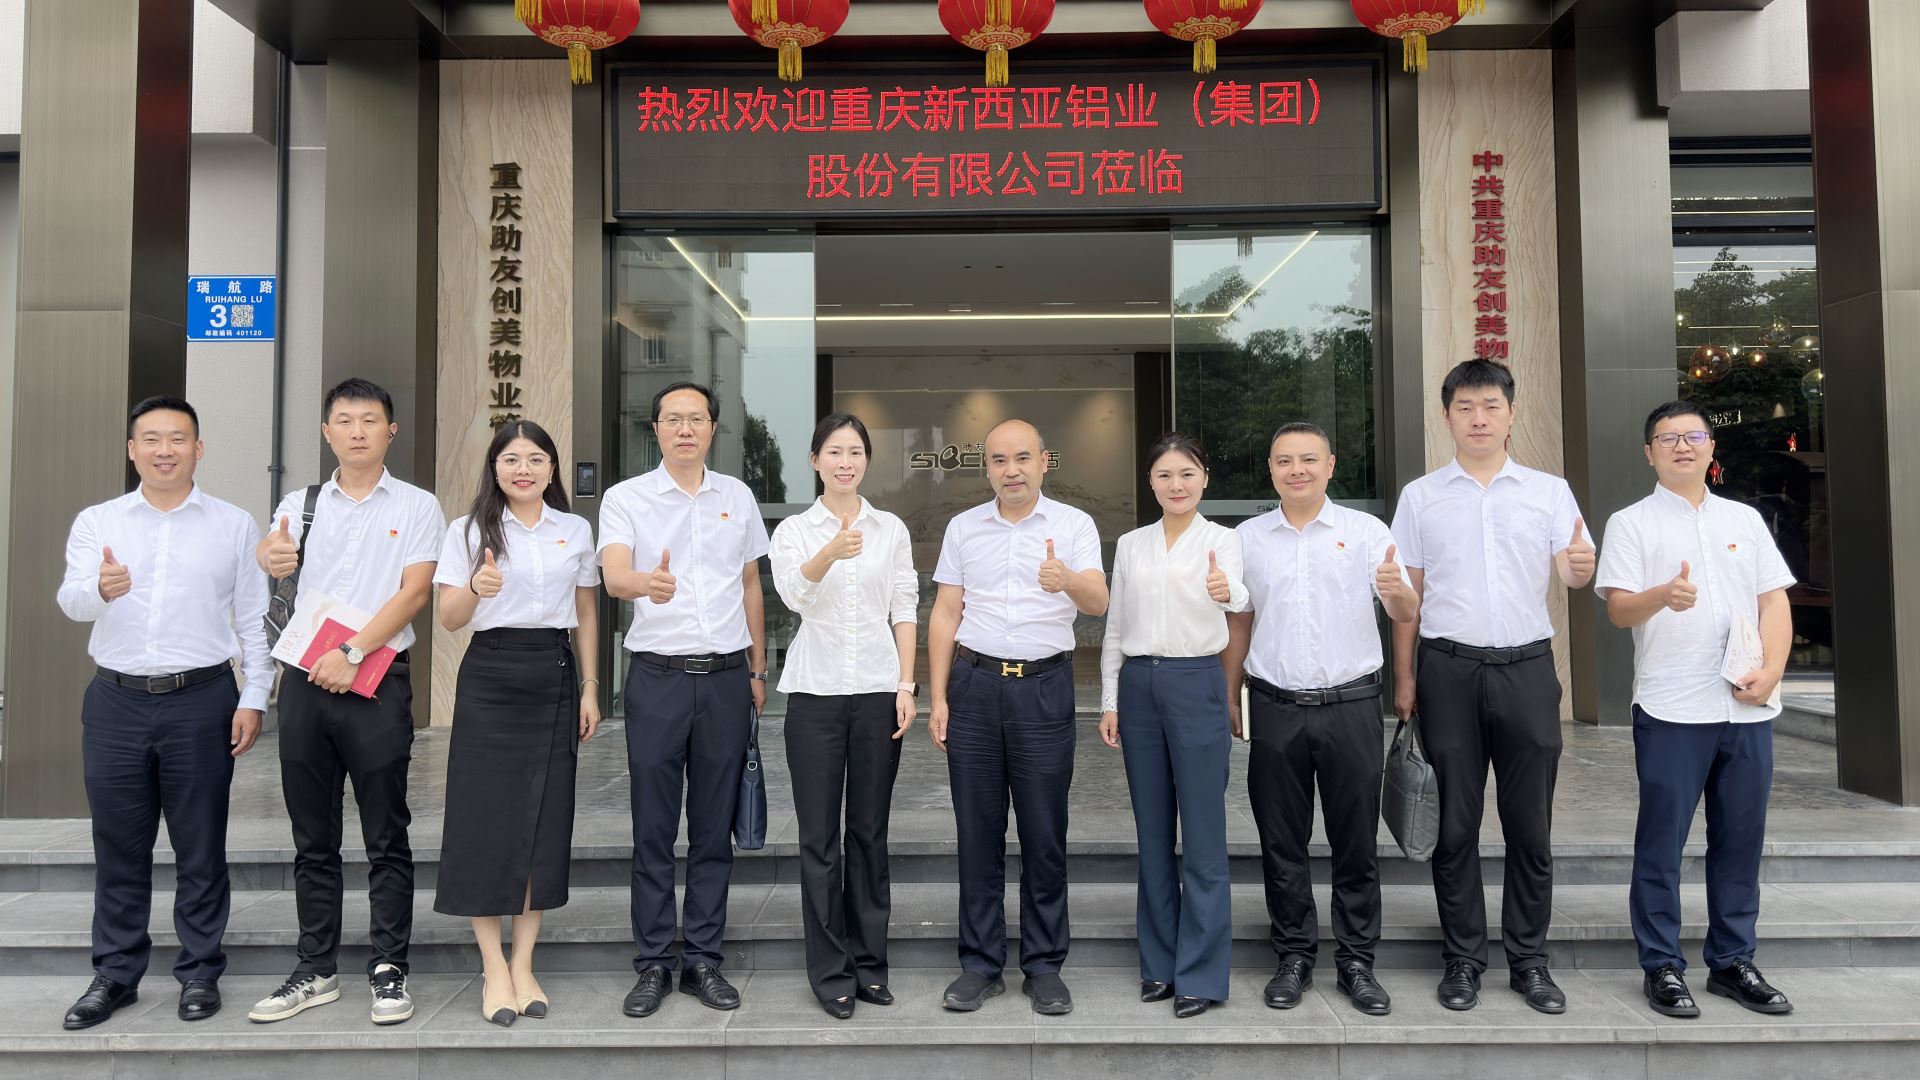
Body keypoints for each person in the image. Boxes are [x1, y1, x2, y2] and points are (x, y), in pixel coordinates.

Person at [56, 397, 271, 1030]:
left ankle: (200, 971)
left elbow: (254, 619)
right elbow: (70, 600)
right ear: (132, 450)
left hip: (202, 699)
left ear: (198, 449)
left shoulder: (233, 524)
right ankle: (115, 974)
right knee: (118, 844)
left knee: (200, 843)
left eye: (178, 438)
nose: (164, 450)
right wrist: (99, 589)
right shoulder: (99, 522)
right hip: (115, 700)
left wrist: (254, 697)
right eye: (150, 439)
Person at [1389, 359, 1595, 1014]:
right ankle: (1463, 960)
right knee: (1454, 824)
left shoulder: (1549, 492)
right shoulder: (1421, 497)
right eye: (1465, 407)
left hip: (1526, 669)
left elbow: (1574, 572)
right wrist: (1405, 677)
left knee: (1530, 825)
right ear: (1446, 416)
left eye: (1490, 406)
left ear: (1511, 413)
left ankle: (1530, 961)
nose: (1478, 418)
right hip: (1446, 669)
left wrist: (1581, 566)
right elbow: (1409, 597)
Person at [249, 378, 443, 1026]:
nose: (357, 430)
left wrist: (354, 651)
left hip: (378, 680)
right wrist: (270, 555)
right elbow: (275, 557)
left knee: (386, 833)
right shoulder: (300, 504)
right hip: (305, 682)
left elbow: (415, 592)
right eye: (344, 419)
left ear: (391, 430)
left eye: (369, 419)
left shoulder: (417, 505)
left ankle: (389, 968)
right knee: (313, 837)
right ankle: (316, 969)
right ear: (326, 431)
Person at [1596, 402, 1796, 1019]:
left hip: (1746, 707)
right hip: (1671, 706)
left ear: (1711, 447)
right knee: (1662, 842)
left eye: (1693, 436)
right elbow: (1618, 609)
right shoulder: (1630, 523)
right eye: (1668, 438)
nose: (1682, 446)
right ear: (1648, 453)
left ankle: (1733, 962)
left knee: (1740, 841)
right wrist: (1662, 595)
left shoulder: (1745, 519)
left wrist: (1772, 672)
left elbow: (1773, 602)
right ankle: (1661, 965)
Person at [1222, 422, 1418, 1018]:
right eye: (1285, 461)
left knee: (1355, 840)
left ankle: (1357, 961)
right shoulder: (1248, 539)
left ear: (1331, 465)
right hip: (1275, 706)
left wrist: (1398, 592)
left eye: (1309, 459)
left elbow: (1405, 609)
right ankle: (1294, 956)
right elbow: (1240, 620)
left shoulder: (1365, 532)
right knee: (1281, 841)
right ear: (1271, 469)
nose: (1297, 470)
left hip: (1351, 706)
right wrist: (1229, 694)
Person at [599, 381, 770, 1018]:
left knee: (712, 828)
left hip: (726, 679)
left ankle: (702, 959)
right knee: (652, 826)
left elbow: (751, 584)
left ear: (712, 429)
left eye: (696, 419)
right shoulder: (626, 498)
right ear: (657, 429)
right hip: (658, 679)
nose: (685, 429)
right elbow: (614, 576)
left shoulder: (737, 496)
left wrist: (757, 668)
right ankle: (652, 963)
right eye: (673, 419)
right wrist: (648, 583)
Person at [928, 419, 1107, 1016]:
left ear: (1044, 461)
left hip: (1044, 689)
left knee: (1043, 832)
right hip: (974, 686)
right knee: (977, 833)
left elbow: (1099, 601)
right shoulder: (963, 527)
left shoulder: (1074, 525)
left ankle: (1043, 966)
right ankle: (980, 965)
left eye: (1023, 458)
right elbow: (946, 612)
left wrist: (1068, 579)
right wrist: (939, 697)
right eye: (1000, 460)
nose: (1012, 470)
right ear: (987, 468)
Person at [432, 420, 602, 1026]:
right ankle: (492, 967)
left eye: (534, 459)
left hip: (553, 673)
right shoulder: (468, 529)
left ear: (552, 468)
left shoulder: (574, 530)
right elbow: (449, 617)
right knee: (484, 821)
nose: (522, 469)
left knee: (543, 821)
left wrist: (590, 686)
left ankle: (524, 963)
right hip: (490, 675)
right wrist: (475, 588)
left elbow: (586, 612)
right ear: (494, 468)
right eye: (511, 459)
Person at [769, 413, 918, 1020]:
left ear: (866, 461)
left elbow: (905, 605)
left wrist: (907, 684)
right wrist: (829, 551)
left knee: (869, 832)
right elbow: (792, 597)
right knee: (819, 838)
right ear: (815, 461)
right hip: (815, 694)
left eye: (855, 452)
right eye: (834, 452)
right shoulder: (795, 531)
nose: (845, 462)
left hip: (879, 689)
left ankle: (870, 965)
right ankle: (830, 972)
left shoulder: (890, 528)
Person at [1097, 433, 1244, 1019]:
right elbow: (1115, 626)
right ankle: (1158, 965)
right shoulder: (1132, 545)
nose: (1176, 485)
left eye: (1186, 474)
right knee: (1152, 833)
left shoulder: (1223, 541)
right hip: (1139, 685)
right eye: (1164, 475)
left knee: (1203, 834)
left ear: (1204, 478)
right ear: (1150, 482)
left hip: (1196, 679)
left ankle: (1201, 974)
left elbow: (1239, 597)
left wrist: (1226, 590)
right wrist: (1110, 699)